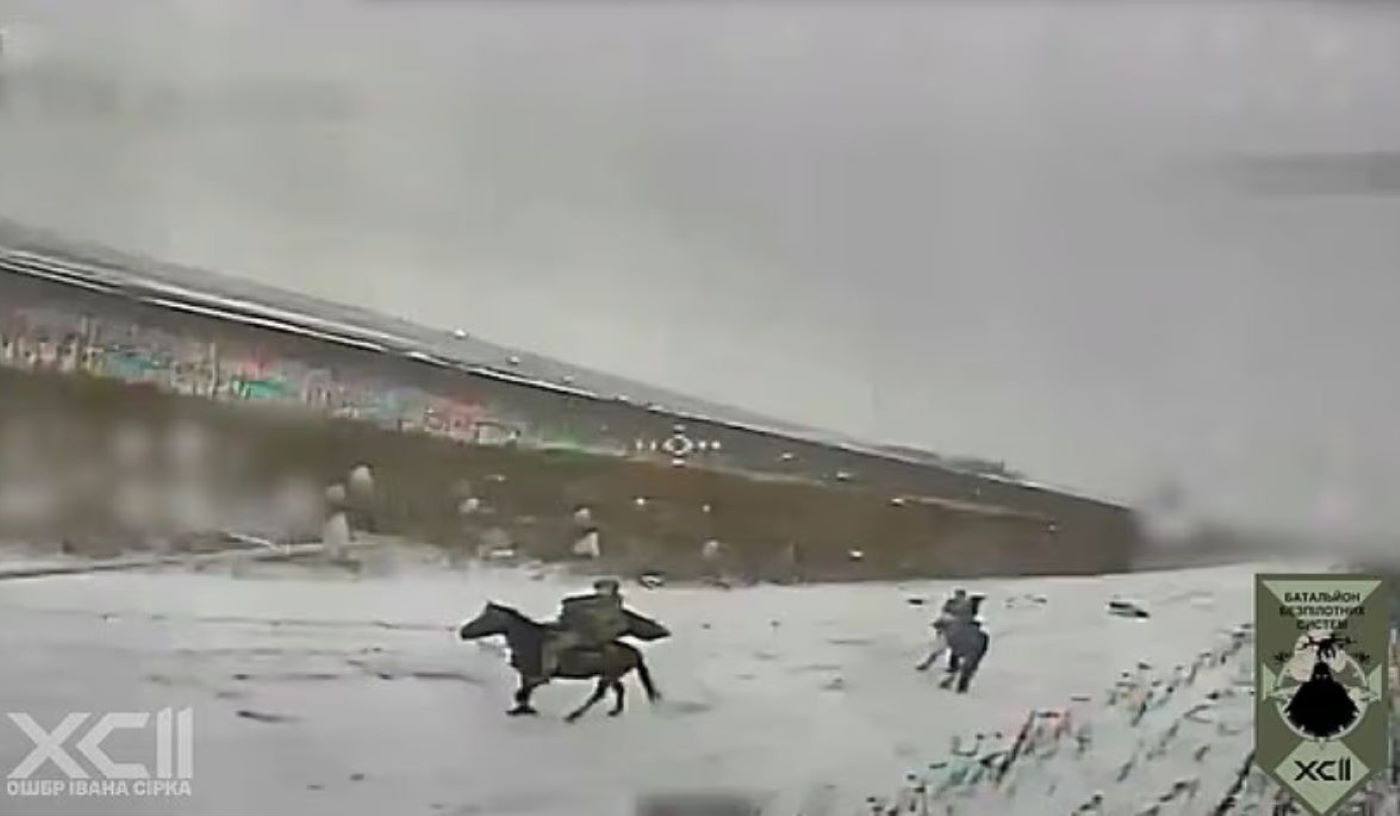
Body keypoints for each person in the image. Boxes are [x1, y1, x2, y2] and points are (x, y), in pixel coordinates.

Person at [539, 578, 631, 679]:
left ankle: (548, 667)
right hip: (581, 630)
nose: (601, 591)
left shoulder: (609, 606)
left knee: (556, 643)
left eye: (604, 589)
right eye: (600, 589)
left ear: (613, 591)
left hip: (588, 634)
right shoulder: (596, 602)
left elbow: (601, 621)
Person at [917, 589, 977, 672]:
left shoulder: (966, 606)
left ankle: (954, 666)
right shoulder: (951, 604)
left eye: (960, 596)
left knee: (952, 650)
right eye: (957, 595)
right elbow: (944, 616)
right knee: (938, 648)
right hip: (949, 631)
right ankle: (927, 664)